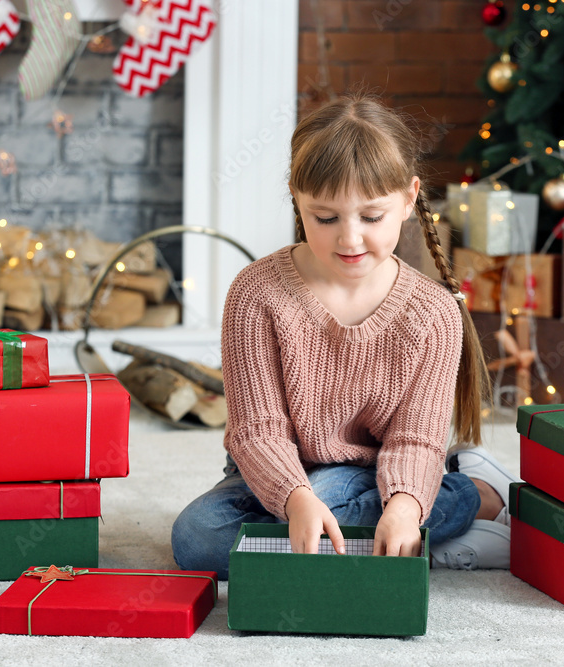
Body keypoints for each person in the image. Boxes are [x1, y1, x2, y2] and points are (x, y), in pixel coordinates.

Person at [171, 94, 520, 580]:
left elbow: (414, 440)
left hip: (372, 474)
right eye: (326, 218)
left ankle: (470, 494)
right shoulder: (256, 293)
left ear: (408, 198)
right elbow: (258, 430)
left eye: (371, 218)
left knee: (334, 495)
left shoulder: (433, 313)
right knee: (196, 539)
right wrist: (294, 500)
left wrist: (402, 506)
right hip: (271, 474)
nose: (349, 239)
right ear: (297, 198)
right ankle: (411, 534)